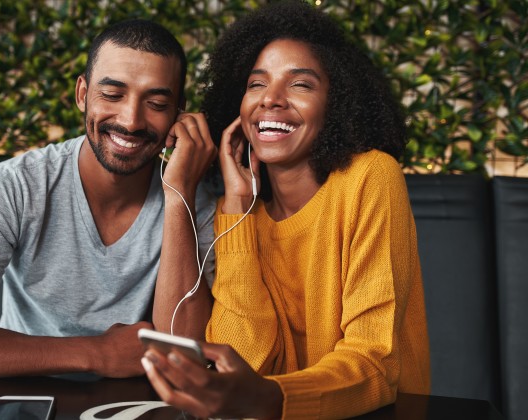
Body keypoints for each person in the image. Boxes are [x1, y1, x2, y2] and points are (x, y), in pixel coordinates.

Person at [141, 1, 430, 418]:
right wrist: (237, 206)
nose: (271, 100)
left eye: (301, 85)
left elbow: (376, 364)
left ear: (337, 102)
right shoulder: (240, 208)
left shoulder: (371, 178)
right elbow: (243, 360)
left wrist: (265, 398)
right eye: (256, 84)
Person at [0, 19, 217, 379]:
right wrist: (96, 353)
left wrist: (179, 196)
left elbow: (184, 355)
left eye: (157, 103)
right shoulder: (15, 186)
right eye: (112, 95)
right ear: (83, 93)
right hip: (22, 392)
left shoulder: (194, 199)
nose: (131, 121)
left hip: (136, 402)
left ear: (180, 111)